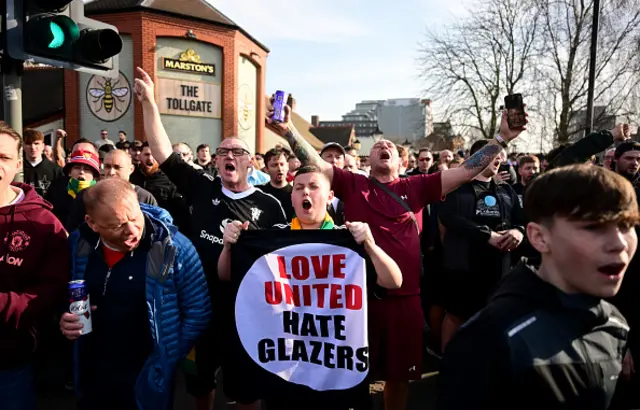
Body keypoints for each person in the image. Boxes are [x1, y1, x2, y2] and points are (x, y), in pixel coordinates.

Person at [269, 98, 525, 410]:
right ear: (368, 158)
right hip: (357, 302)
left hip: (404, 300)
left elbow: (466, 172)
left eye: (390, 146)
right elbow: (318, 164)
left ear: (401, 163)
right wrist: (288, 132)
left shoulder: (417, 187)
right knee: (353, 375)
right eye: (378, 145)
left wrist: (501, 139)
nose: (384, 146)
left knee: (398, 378)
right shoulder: (353, 185)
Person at [134, 66, 287, 410]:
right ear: (215, 161)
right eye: (222, 152)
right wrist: (150, 104)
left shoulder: (271, 205)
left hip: (245, 310)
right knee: (200, 385)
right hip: (199, 305)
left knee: (246, 389)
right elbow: (162, 153)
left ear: (250, 162)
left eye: (236, 152)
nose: (229, 156)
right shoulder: (201, 188)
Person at [438, 164, 638, 410]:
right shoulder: (489, 339)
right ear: (539, 237)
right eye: (593, 227)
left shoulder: (615, 323)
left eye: (627, 225)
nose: (619, 244)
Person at [219, 165, 402, 409]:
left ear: (329, 197)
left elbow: (394, 281)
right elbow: (226, 275)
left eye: (314, 187)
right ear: (292, 198)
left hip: (333, 369)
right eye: (299, 188)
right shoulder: (272, 238)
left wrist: (370, 245)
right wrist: (229, 246)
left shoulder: (348, 239)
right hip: (285, 367)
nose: (306, 192)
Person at [59, 179, 210, 410]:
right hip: (94, 372)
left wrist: (167, 358)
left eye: (134, 218)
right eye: (117, 225)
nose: (131, 231)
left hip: (148, 376)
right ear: (92, 223)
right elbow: (63, 293)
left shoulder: (174, 247)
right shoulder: (79, 244)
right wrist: (65, 319)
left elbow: (198, 311)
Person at [0, 122, 69, 410]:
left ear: (17, 164)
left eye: (2, 158)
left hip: (9, 363)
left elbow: (49, 294)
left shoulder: (43, 223)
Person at [439, 140, 524, 349]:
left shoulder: (506, 190)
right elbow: (448, 217)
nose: (499, 160)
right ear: (477, 159)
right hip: (463, 266)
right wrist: (487, 235)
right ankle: (449, 366)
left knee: (495, 317)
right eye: (493, 155)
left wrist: (518, 232)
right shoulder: (456, 189)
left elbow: (521, 220)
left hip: (499, 269)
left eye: (500, 156)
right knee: (456, 315)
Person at [65, 149, 157, 232]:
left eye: (117, 167)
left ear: (131, 169)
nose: (111, 172)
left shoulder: (145, 197)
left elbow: (155, 232)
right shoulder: (87, 195)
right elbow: (73, 231)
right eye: (107, 166)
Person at [45, 149, 101, 225]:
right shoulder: (56, 190)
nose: (81, 172)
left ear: (94, 176)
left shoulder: (100, 196)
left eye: (87, 169)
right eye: (77, 168)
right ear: (69, 172)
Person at [22, 129, 62, 197]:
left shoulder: (56, 170)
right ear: (23, 146)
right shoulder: (17, 169)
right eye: (28, 143)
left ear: (43, 146)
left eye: (36, 143)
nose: (33, 147)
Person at [259, 147, 295, 220]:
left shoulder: (295, 193)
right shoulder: (259, 193)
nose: (279, 168)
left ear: (287, 166)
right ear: (266, 169)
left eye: (282, 164)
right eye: (274, 165)